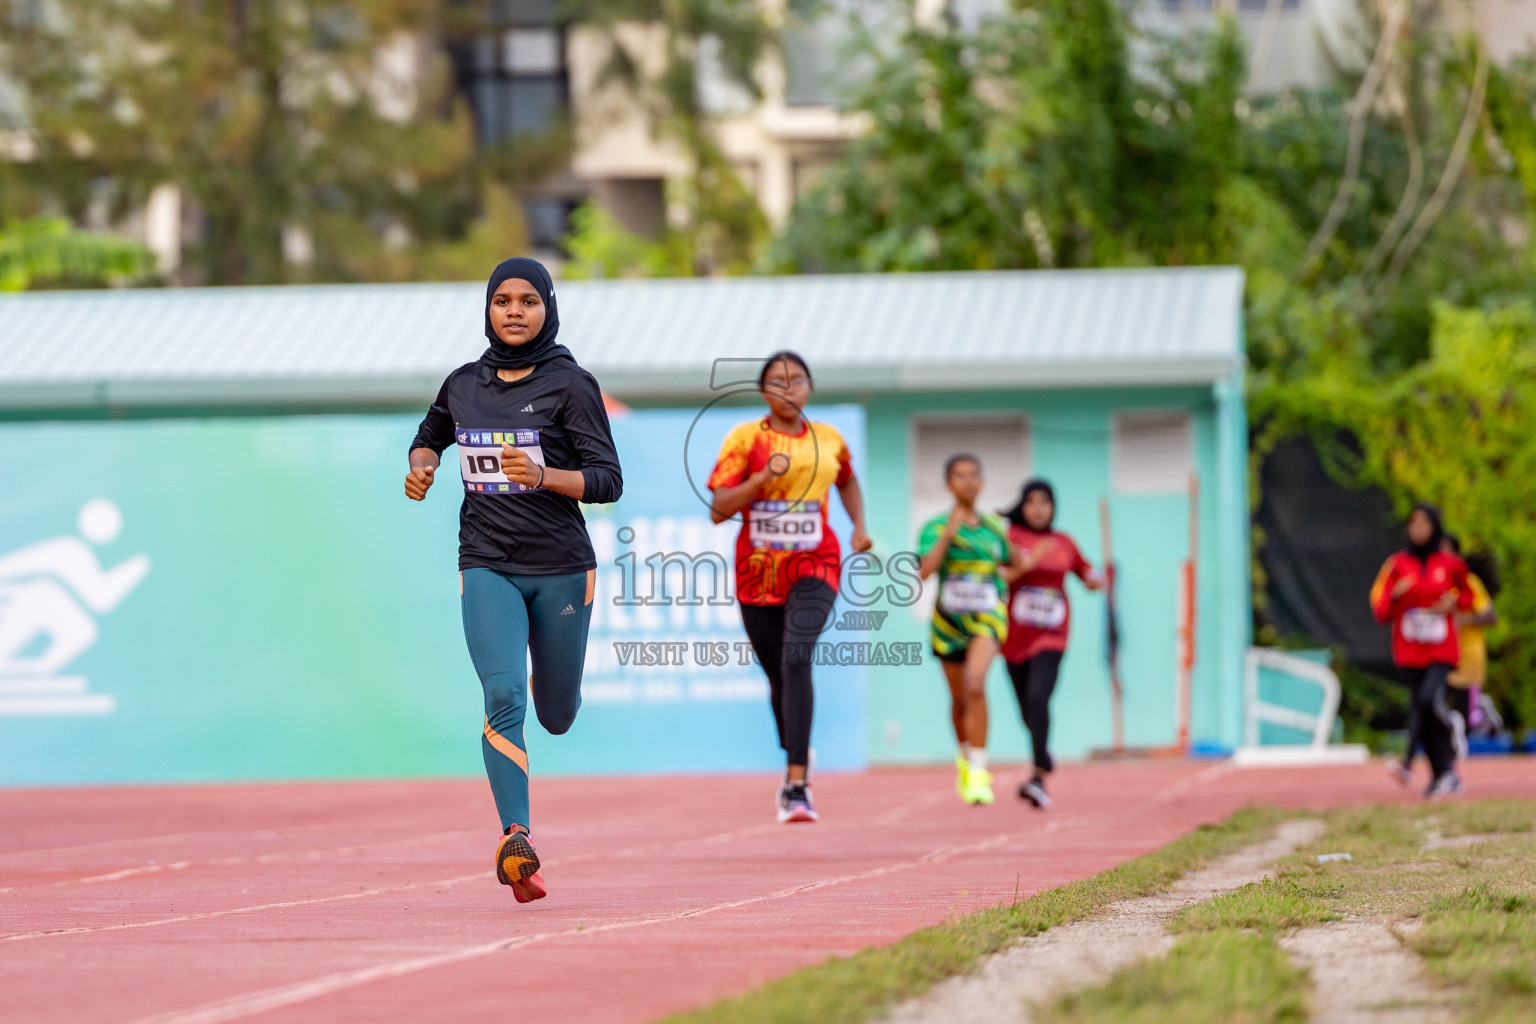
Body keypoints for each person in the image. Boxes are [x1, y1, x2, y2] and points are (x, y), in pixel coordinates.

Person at [406, 257, 623, 902]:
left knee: (554, 714)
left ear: (547, 307)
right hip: (488, 560)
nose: (515, 312)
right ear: (489, 309)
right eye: (503, 300)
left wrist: (543, 475)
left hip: (560, 569)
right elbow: (431, 434)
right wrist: (422, 465)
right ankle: (516, 837)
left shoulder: (571, 385)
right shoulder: (463, 384)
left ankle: (556, 683)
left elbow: (608, 481)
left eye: (529, 300)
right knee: (503, 693)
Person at [708, 351, 871, 823]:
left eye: (796, 380)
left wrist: (859, 525)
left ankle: (796, 785)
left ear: (809, 387)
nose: (787, 388)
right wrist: (762, 478)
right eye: (776, 381)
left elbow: (848, 481)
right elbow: (719, 509)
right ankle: (795, 744)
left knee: (797, 657)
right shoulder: (745, 439)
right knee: (778, 673)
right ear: (763, 391)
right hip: (756, 573)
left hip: (816, 563)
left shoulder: (829, 440)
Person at [999, 479, 1103, 809]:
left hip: (1052, 636)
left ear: (1054, 507)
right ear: (1022, 506)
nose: (1039, 508)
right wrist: (1027, 564)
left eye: (1045, 501)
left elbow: (1086, 572)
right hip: (1013, 637)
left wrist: (1095, 579)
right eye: (1031, 502)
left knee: (1038, 696)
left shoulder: (1064, 542)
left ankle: (1038, 776)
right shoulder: (1012, 538)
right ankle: (1043, 751)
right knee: (1027, 710)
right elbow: (999, 577)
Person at [916, 455, 1011, 806]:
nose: (969, 482)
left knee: (975, 683)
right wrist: (950, 534)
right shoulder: (934, 526)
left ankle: (980, 770)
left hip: (987, 618)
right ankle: (965, 756)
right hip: (949, 624)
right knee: (958, 700)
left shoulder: (993, 528)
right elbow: (924, 572)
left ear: (982, 482)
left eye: (974, 475)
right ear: (948, 484)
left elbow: (1012, 562)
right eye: (960, 476)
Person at [1370, 503, 1473, 799]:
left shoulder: (1450, 564)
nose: (1418, 530)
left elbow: (1469, 596)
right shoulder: (1397, 564)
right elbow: (1380, 611)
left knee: (1428, 700)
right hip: (1409, 650)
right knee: (1421, 710)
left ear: (1435, 527)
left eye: (1424, 524)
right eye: (1413, 524)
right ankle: (1443, 773)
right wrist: (1396, 594)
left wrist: (1453, 603)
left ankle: (1449, 735)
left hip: (1441, 648)